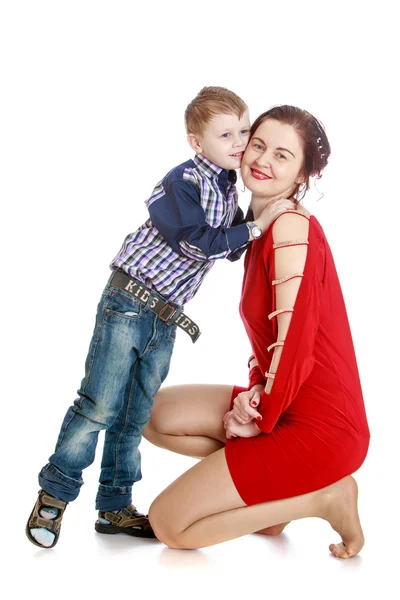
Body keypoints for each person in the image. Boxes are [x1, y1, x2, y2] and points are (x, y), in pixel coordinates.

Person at [26, 87, 289, 549]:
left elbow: (227, 251)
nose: (238, 142)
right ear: (196, 141)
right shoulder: (183, 180)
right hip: (129, 304)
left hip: (166, 318)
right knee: (99, 405)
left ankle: (115, 507)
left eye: (243, 131)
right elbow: (194, 241)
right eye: (225, 133)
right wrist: (255, 226)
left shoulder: (228, 189)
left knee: (134, 414)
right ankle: (55, 493)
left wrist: (262, 212)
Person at [144, 105, 370, 559]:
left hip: (320, 426)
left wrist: (259, 416)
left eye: (282, 155)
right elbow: (269, 345)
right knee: (151, 414)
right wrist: (253, 393)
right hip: (282, 397)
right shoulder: (259, 228)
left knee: (169, 524)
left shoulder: (289, 229)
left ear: (303, 172)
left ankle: (322, 496)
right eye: (259, 145)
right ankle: (270, 504)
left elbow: (297, 345)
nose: (263, 160)